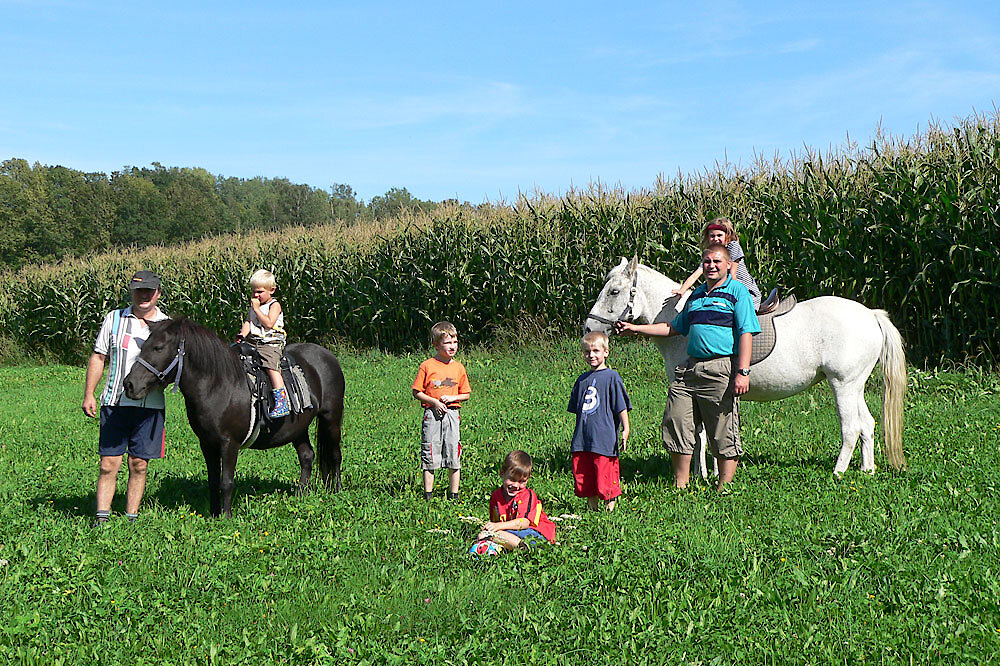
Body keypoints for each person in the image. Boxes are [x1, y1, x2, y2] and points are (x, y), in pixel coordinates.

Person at [617, 244, 760, 491]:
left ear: (728, 265)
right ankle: (680, 485)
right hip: (690, 368)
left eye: (717, 261)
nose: (711, 266)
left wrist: (743, 372)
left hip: (721, 367)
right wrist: (636, 328)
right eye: (707, 261)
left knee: (722, 429)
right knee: (676, 421)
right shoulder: (696, 295)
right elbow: (673, 327)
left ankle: (724, 489)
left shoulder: (737, 292)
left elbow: (746, 332)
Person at [82, 270, 171, 525]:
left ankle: (131, 517)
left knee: (139, 464)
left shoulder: (167, 325)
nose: (144, 296)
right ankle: (102, 517)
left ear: (158, 293)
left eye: (149, 291)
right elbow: (99, 357)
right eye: (139, 291)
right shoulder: (114, 318)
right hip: (115, 402)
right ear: (131, 292)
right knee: (108, 463)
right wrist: (89, 394)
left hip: (150, 406)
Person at [567, 331, 632, 511]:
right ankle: (592, 510)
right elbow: (578, 410)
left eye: (596, 350)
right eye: (587, 352)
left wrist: (626, 428)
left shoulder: (612, 377)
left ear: (606, 352)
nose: (591, 355)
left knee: (605, 475)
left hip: (604, 440)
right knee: (585, 476)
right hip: (582, 440)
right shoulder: (581, 380)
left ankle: (609, 511)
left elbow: (621, 406)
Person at [412, 321, 471, 500]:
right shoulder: (427, 366)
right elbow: (417, 392)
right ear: (436, 345)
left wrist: (452, 398)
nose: (452, 346)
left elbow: (466, 394)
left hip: (452, 414)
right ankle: (428, 494)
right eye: (447, 343)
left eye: (455, 342)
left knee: (453, 451)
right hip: (432, 414)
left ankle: (454, 495)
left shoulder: (459, 367)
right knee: (430, 451)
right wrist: (434, 402)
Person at [472, 450, 556, 554]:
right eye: (512, 479)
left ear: (528, 479)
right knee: (484, 535)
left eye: (522, 481)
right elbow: (495, 521)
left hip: (535, 533)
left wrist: (497, 527)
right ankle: (505, 549)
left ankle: (527, 549)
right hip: (511, 533)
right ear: (502, 473)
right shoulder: (496, 496)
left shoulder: (527, 495)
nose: (516, 485)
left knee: (494, 535)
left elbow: (524, 523)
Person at [673, 217, 762, 311]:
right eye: (712, 236)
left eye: (719, 235)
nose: (716, 239)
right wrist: (682, 290)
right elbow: (696, 274)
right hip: (723, 289)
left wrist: (731, 296)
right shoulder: (711, 253)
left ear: (727, 236)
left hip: (743, 291)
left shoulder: (733, 247)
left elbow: (733, 275)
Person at [237, 269, 289, 418]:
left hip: (271, 342)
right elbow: (249, 322)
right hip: (255, 341)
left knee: (270, 365)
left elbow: (268, 323)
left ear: (271, 290)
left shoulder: (274, 305)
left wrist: (256, 309)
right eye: (253, 291)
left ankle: (282, 401)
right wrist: (242, 334)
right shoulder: (254, 307)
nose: (255, 295)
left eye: (260, 292)